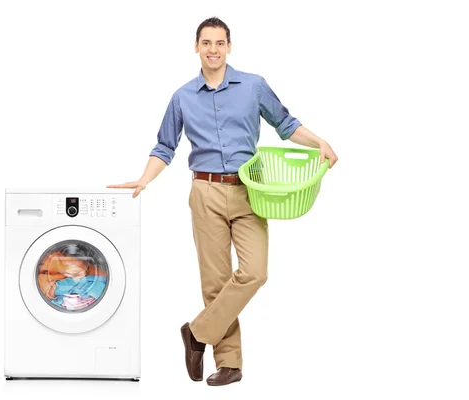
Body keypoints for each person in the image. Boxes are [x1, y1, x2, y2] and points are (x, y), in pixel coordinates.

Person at [108, 17, 338, 386]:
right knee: (215, 282)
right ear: (196, 47)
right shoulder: (182, 96)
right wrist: (144, 179)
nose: (213, 49)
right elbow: (165, 146)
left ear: (230, 46)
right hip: (205, 192)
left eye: (219, 43)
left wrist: (320, 142)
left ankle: (197, 333)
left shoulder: (253, 86)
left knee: (255, 273)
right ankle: (229, 363)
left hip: (250, 189)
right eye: (206, 43)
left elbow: (285, 123)